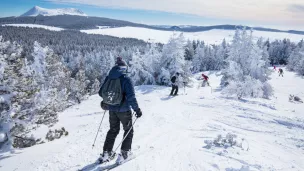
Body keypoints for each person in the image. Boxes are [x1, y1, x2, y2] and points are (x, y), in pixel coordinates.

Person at [98, 57, 142, 163]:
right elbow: (131, 97)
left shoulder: (109, 77)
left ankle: (106, 153)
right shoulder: (126, 79)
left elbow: (100, 92)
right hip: (124, 110)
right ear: (123, 68)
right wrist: (137, 109)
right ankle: (124, 154)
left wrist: (108, 101)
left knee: (113, 130)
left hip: (112, 110)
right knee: (128, 130)